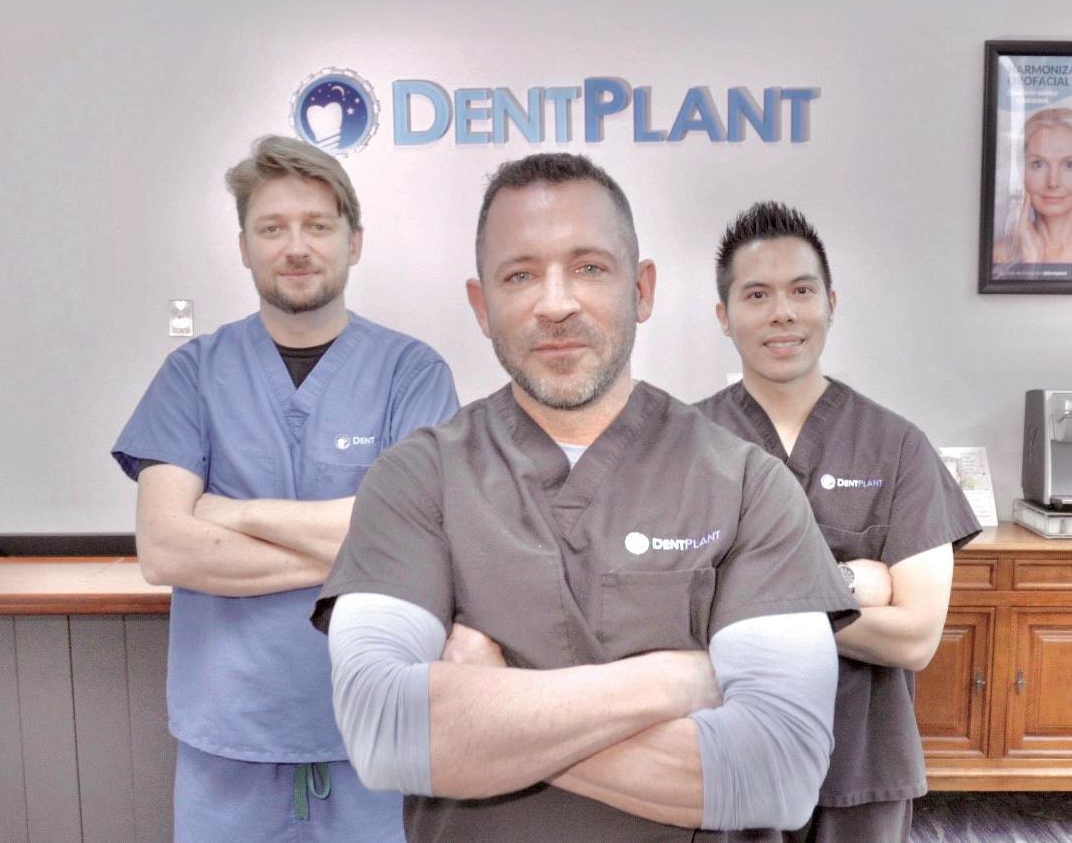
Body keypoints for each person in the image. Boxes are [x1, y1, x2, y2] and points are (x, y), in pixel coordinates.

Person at [311, 153, 859, 842]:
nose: (556, 303)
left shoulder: (749, 486)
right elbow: (384, 731)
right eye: (519, 275)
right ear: (482, 307)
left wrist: (489, 711)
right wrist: (676, 681)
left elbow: (777, 774)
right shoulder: (416, 480)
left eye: (590, 268)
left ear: (642, 290)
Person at [111, 135, 458, 843]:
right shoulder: (192, 374)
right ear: (244, 247)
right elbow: (166, 550)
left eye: (317, 225)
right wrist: (362, 548)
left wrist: (231, 512)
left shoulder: (412, 373)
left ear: (354, 242)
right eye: (272, 228)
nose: (296, 247)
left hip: (376, 735)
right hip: (230, 742)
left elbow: (423, 541)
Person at [695, 201, 982, 843]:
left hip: (863, 765)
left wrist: (744, 601)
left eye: (802, 291)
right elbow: (665, 616)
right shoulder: (683, 446)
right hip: (727, 762)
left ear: (830, 303)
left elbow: (914, 638)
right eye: (757, 294)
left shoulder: (897, 446)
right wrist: (847, 585)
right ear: (724, 315)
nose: (782, 312)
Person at [993, 107, 1072, 268]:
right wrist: (1029, 265)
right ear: (1020, 171)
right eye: (1038, 164)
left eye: (1069, 165)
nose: (1053, 182)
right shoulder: (997, 255)